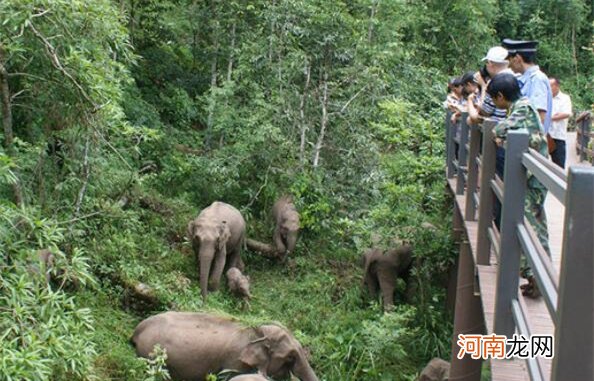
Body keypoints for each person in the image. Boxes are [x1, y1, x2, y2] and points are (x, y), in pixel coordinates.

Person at [486, 73, 550, 298]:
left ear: (501, 96)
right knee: (534, 227)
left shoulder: (522, 107)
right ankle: (537, 279)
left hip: (534, 180)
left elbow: (499, 129)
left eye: (495, 100)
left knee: (531, 228)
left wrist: (498, 136)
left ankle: (538, 279)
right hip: (533, 178)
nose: (495, 105)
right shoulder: (522, 106)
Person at [502, 39, 553, 134]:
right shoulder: (525, 79)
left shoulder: (537, 79)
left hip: (528, 143)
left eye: (509, 60)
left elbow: (539, 117)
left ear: (517, 58)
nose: (509, 66)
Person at [548, 77, 573, 168]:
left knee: (559, 165)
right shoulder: (545, 97)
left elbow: (566, 113)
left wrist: (548, 117)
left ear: (557, 86)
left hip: (558, 136)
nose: (548, 87)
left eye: (550, 85)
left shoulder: (565, 98)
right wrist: (555, 116)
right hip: (545, 135)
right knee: (541, 163)